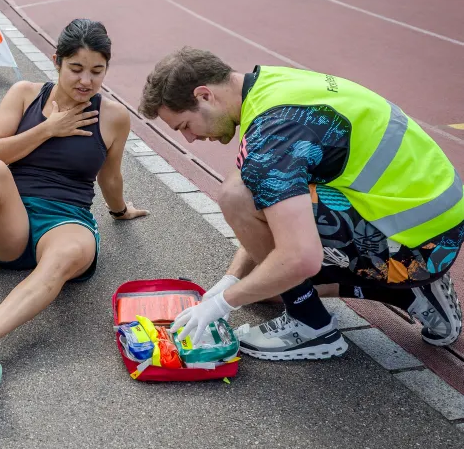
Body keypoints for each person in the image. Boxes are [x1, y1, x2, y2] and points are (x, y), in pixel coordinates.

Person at [138, 47, 463, 360]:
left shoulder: (271, 136)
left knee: (247, 211)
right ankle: (408, 294)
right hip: (428, 220)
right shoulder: (271, 85)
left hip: (416, 246)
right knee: (263, 282)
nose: (190, 139)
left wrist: (223, 303)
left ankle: (311, 326)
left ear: (204, 95)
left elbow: (300, 258)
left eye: (184, 126)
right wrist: (232, 280)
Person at [0, 19, 148, 390]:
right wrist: (49, 128)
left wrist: (120, 210)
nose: (86, 81)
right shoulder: (24, 94)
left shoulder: (113, 117)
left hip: (66, 221)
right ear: (56, 61)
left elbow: (110, 176)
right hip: (11, 222)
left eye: (97, 71)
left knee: (68, 253)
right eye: (76, 69)